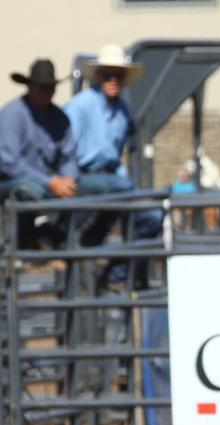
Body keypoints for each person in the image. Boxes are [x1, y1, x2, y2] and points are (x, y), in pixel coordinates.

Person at [65, 44, 162, 285]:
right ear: (98, 77)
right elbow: (65, 149)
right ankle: (103, 259)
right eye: (107, 75)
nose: (113, 80)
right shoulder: (81, 106)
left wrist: (124, 181)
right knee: (128, 195)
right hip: (83, 177)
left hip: (110, 181)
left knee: (153, 216)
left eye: (118, 75)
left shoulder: (121, 111)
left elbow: (115, 156)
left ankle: (115, 274)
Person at [0, 59, 80, 249]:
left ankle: (57, 234)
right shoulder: (12, 114)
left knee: (99, 188)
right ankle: (24, 241)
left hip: (49, 182)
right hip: (11, 183)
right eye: (41, 87)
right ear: (29, 87)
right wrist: (51, 182)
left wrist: (69, 179)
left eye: (49, 88)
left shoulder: (60, 118)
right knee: (28, 191)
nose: (46, 92)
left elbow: (68, 156)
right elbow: (9, 163)